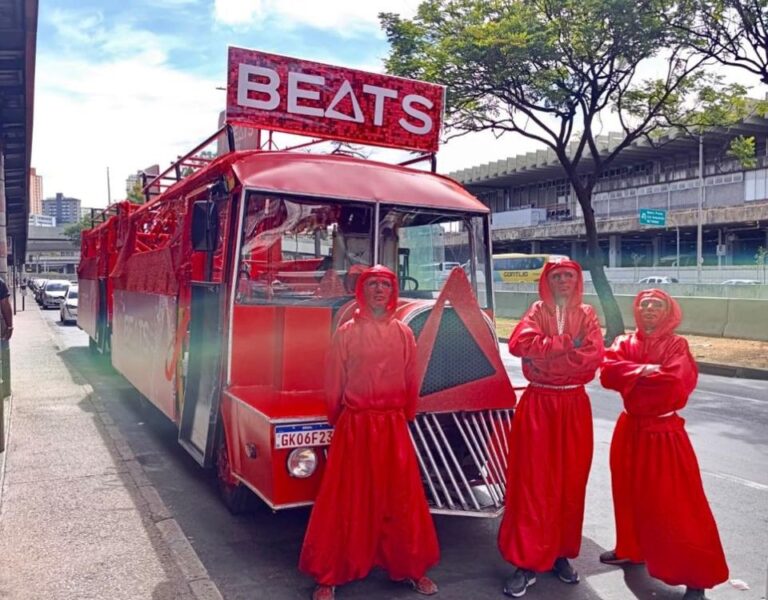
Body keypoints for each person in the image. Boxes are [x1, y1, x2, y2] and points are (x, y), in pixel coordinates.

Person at [299, 265, 439, 600]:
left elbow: (411, 380)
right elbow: (334, 382)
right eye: (373, 283)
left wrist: (406, 415)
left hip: (392, 425)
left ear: (393, 291)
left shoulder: (404, 333)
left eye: (385, 284)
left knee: (402, 498)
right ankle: (329, 574)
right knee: (345, 499)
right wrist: (340, 420)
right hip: (357, 423)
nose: (379, 290)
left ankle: (410, 567)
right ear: (363, 290)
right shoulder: (346, 331)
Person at [599, 289, 728, 600]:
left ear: (669, 311)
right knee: (628, 495)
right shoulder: (625, 342)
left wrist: (629, 375)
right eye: (644, 304)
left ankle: (695, 577)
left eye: (657, 305)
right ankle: (631, 549)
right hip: (630, 428)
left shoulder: (677, 345)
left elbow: (673, 381)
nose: (649, 309)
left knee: (678, 505)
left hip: (663, 432)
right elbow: (607, 372)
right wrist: (644, 371)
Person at [498, 259, 603, 597]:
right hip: (539, 404)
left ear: (577, 281)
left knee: (570, 483)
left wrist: (546, 355)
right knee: (532, 483)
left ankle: (560, 553)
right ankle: (526, 560)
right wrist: (564, 345)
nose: (562, 281)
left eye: (568, 276)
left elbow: (593, 356)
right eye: (556, 276)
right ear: (546, 281)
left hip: (573, 406)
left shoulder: (587, 314)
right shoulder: (536, 311)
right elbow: (519, 346)